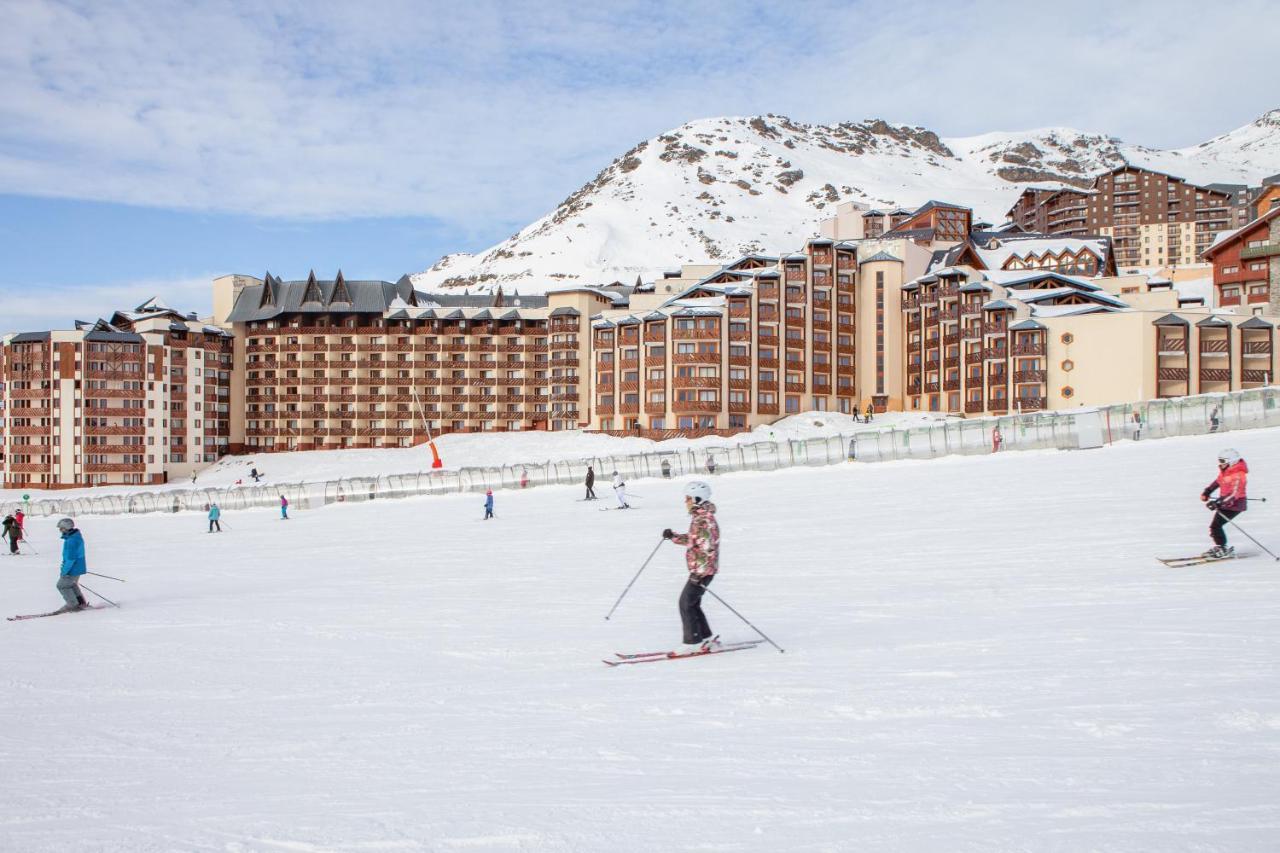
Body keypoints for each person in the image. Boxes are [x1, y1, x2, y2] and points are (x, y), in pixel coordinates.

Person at [662, 480, 720, 653]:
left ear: (696, 498)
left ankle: (692, 642)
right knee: (692, 604)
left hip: (702, 571)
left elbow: (708, 547)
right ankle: (706, 638)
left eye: (687, 498)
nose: (685, 501)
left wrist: (699, 573)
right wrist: (673, 536)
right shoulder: (701, 517)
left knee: (685, 603)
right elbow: (695, 539)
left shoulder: (704, 520)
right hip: (702, 571)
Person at [1201, 448, 1248, 558]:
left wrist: (1218, 503)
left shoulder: (1239, 475)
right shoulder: (1226, 471)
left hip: (1235, 506)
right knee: (1214, 526)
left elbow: (1234, 495)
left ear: (1232, 461)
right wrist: (1207, 491)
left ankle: (1223, 549)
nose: (1220, 464)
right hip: (1225, 504)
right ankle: (1221, 547)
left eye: (1222, 461)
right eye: (1219, 460)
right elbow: (1218, 481)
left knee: (1216, 526)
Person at [56, 518, 89, 612]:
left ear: (67, 528)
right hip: (77, 567)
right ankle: (80, 603)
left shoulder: (71, 541)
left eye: (61, 528)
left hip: (72, 568)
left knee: (61, 585)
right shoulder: (75, 537)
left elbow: (70, 559)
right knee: (71, 585)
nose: (60, 530)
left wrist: (64, 571)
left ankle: (72, 605)